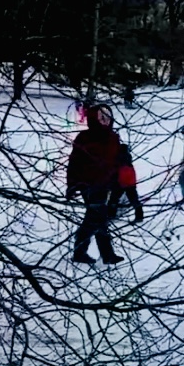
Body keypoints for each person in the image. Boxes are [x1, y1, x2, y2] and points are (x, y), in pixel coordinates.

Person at [67, 103, 125, 265]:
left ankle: (97, 253)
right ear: (94, 119)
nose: (105, 121)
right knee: (96, 218)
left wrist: (118, 179)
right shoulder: (85, 137)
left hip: (105, 183)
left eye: (107, 117)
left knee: (97, 218)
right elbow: (74, 162)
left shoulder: (113, 138)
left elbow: (115, 162)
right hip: (89, 184)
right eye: (101, 118)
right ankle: (97, 253)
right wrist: (72, 184)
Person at [107, 142, 144, 224]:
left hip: (120, 182)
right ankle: (139, 216)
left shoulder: (118, 158)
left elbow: (116, 171)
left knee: (113, 199)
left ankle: (111, 215)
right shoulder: (128, 158)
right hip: (130, 182)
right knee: (134, 200)